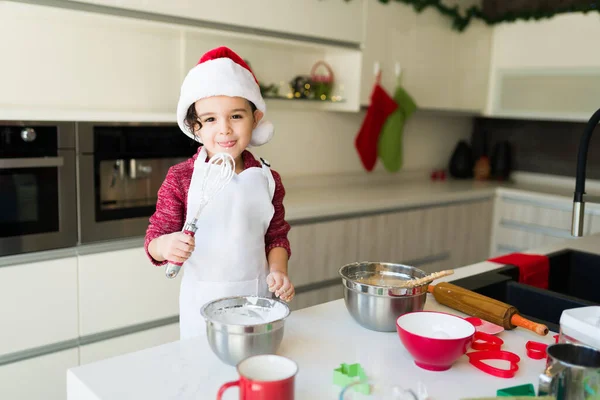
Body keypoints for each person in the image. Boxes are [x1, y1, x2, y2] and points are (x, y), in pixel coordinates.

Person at [144, 46, 294, 340]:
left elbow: (276, 237)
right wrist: (166, 247)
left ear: (255, 118)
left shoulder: (268, 179)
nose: (224, 130)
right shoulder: (181, 178)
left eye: (236, 116)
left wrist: (279, 271)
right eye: (210, 119)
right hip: (203, 307)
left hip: (257, 301)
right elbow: (154, 240)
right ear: (194, 127)